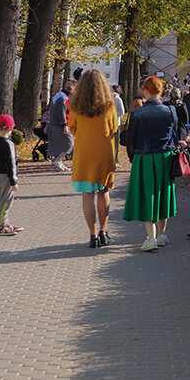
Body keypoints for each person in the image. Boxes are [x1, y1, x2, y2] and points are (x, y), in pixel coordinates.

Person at [122, 76, 178, 252]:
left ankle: (151, 237)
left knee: (148, 195)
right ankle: (162, 235)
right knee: (164, 195)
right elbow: (175, 137)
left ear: (145, 91)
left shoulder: (138, 113)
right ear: (160, 91)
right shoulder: (171, 111)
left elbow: (131, 140)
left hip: (145, 157)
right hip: (165, 157)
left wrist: (133, 157)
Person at [69, 70, 119, 248]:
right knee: (103, 191)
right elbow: (113, 128)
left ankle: (92, 235)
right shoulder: (109, 106)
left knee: (87, 194)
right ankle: (104, 232)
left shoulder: (76, 107)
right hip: (104, 152)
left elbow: (72, 128)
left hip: (84, 153)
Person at [0, 115, 22, 236]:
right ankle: (1, 226)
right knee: (5, 201)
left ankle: (5, 223)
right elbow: (11, 163)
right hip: (6, 176)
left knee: (4, 200)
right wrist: (14, 181)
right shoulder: (8, 144)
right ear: (11, 128)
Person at [47, 80, 75, 171]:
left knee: (63, 143)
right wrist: (64, 125)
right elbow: (61, 113)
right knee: (70, 143)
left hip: (56, 124)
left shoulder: (60, 97)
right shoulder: (63, 100)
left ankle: (59, 161)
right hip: (59, 125)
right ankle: (58, 160)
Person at [111, 84, 126, 164]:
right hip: (116, 122)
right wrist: (118, 116)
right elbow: (122, 111)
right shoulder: (118, 99)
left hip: (109, 123)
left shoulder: (108, 98)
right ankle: (115, 159)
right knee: (116, 142)